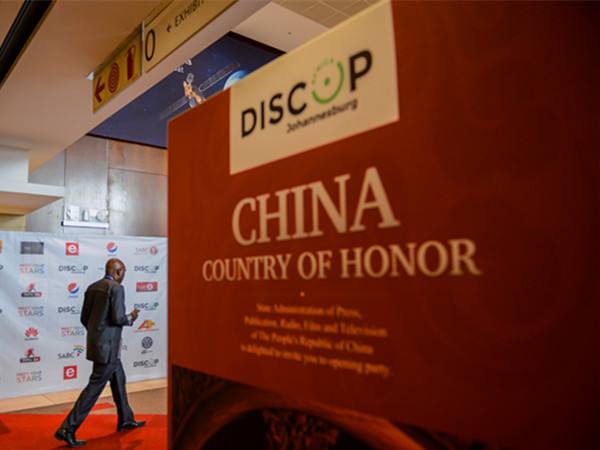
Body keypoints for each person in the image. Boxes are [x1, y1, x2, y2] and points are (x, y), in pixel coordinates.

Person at [55, 258, 145, 447]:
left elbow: (84, 318)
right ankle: (67, 428)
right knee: (94, 388)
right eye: (123, 272)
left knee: (119, 379)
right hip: (109, 348)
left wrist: (98, 334)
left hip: (100, 346)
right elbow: (118, 318)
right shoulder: (116, 288)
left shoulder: (92, 287)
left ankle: (126, 419)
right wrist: (131, 317)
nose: (123, 276)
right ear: (118, 271)